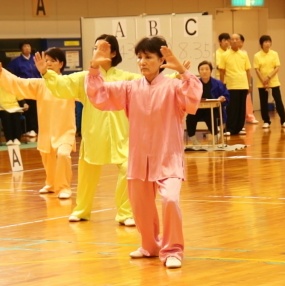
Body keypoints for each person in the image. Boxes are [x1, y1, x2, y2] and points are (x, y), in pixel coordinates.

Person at [86, 36, 202, 269]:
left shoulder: (173, 86)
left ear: (161, 60)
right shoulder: (130, 88)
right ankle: (150, 246)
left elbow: (192, 100)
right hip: (139, 158)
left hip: (168, 158)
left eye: (148, 57)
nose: (142, 62)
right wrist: (94, 67)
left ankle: (173, 250)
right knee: (140, 205)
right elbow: (99, 95)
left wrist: (182, 72)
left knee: (170, 199)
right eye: (139, 57)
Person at [36, 34, 140, 226]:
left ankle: (125, 213)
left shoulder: (126, 78)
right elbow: (62, 85)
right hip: (93, 136)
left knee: (127, 169)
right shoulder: (84, 78)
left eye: (103, 48)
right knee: (86, 175)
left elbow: (151, 84)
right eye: (95, 48)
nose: (97, 51)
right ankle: (82, 210)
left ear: (114, 53)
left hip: (122, 137)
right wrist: (46, 73)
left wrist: (177, 75)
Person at [0, 47, 76, 199]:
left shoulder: (69, 82)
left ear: (61, 64)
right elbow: (18, 83)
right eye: (46, 60)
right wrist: (1, 70)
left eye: (52, 61)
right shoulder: (39, 84)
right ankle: (51, 183)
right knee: (47, 157)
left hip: (65, 129)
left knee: (63, 154)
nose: (48, 64)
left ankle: (64, 187)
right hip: (47, 129)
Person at [186, 61, 229, 147]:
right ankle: (193, 140)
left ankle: (216, 136)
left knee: (210, 115)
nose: (204, 71)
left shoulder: (218, 83)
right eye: (202, 69)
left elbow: (226, 96)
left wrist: (222, 98)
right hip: (198, 108)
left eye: (206, 69)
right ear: (199, 72)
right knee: (190, 117)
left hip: (213, 109)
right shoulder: (195, 83)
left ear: (211, 71)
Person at [219, 33, 252, 135]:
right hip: (231, 84)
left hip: (243, 84)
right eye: (232, 39)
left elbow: (247, 71)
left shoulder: (244, 54)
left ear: (240, 41)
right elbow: (222, 71)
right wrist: (222, 85)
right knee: (232, 108)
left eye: (236, 39)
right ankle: (230, 128)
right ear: (229, 41)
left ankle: (239, 128)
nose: (234, 41)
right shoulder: (224, 55)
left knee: (242, 108)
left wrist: (249, 85)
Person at [254, 35, 285, 129]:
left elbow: (277, 67)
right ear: (261, 44)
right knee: (263, 101)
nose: (267, 43)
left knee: (278, 100)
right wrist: (263, 81)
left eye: (269, 41)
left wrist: (269, 77)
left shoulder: (274, 54)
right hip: (262, 82)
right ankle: (266, 121)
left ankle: (283, 120)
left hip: (274, 81)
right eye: (265, 42)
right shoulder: (257, 55)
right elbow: (257, 69)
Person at [7, 41, 40, 137]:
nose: (27, 48)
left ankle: (36, 129)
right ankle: (29, 129)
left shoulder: (36, 59)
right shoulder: (16, 62)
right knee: (27, 109)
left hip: (36, 87)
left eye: (28, 46)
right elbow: (10, 74)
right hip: (24, 89)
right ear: (21, 49)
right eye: (25, 46)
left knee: (36, 109)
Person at [0, 79, 28, 146]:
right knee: (6, 116)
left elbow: (20, 98)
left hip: (14, 106)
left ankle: (17, 138)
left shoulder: (14, 83)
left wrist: (24, 104)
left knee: (15, 116)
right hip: (1, 107)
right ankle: (9, 139)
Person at [238, 34, 259, 124]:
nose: (239, 43)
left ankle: (249, 116)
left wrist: (249, 83)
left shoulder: (244, 53)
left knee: (247, 99)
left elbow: (248, 69)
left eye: (241, 41)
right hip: (234, 80)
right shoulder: (229, 52)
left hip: (243, 79)